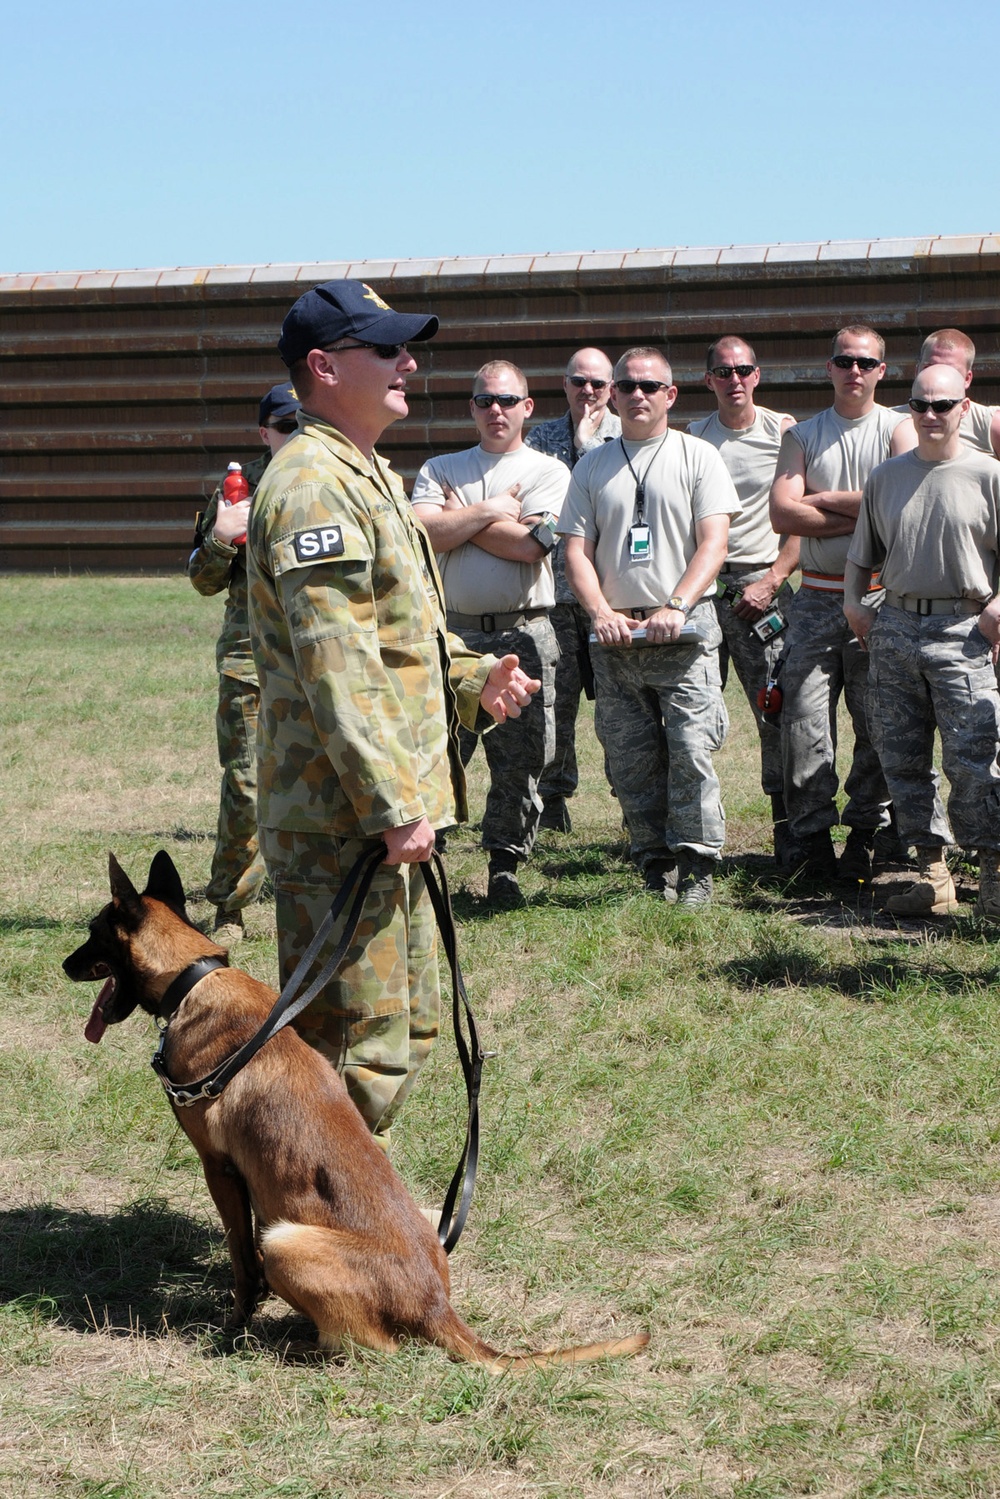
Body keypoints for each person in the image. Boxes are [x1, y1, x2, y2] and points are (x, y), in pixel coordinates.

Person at [246, 281, 539, 1148]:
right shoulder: (311, 487)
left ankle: (323, 1215)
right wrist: (391, 803)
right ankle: (303, 1224)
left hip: (378, 812)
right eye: (387, 349)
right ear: (325, 367)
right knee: (348, 1048)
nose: (409, 362)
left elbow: (398, 633)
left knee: (402, 1031)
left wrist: (472, 676)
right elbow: (335, 664)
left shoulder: (363, 470)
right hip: (344, 818)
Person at [559, 346, 741, 905]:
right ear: (612, 394)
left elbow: (715, 542)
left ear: (671, 395)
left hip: (682, 632)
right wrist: (601, 614)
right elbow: (575, 550)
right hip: (617, 639)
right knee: (629, 757)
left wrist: (678, 604)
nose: (638, 394)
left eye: (649, 386)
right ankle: (652, 862)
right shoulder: (593, 464)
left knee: (691, 750)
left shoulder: (698, 456)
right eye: (627, 386)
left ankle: (697, 867)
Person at [844, 362, 1000, 919]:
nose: (930, 415)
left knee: (974, 761)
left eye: (942, 405)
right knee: (902, 759)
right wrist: (853, 603)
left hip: (965, 633)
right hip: (896, 629)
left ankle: (992, 878)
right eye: (920, 405)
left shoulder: (990, 475)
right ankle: (932, 875)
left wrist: (994, 613)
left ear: (964, 406)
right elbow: (861, 555)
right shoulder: (886, 476)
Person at [411, 361, 569, 907]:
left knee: (520, 759)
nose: (494, 410)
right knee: (441, 751)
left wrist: (462, 519)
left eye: (506, 400)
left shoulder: (550, 472)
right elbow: (424, 534)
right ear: (471, 407)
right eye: (484, 400)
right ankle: (429, 861)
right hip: (451, 637)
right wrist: (492, 511)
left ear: (528, 407)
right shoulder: (441, 465)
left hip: (523, 634)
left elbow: (532, 547)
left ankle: (506, 865)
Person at [769, 325, 916, 882]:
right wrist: (865, 508)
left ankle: (868, 833)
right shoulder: (803, 435)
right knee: (805, 720)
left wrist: (822, 498)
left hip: (881, 599)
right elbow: (782, 514)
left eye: (865, 362)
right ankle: (809, 840)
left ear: (882, 370)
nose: (854, 371)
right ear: (829, 368)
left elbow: (903, 506)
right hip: (817, 598)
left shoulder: (898, 430)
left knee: (880, 721)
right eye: (844, 361)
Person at [188, 381, 300, 946]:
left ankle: (315, 887)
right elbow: (202, 581)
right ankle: (230, 903)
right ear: (263, 432)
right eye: (283, 425)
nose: (294, 434)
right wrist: (222, 539)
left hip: (318, 654)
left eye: (302, 422)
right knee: (247, 783)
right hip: (251, 657)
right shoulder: (236, 490)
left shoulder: (326, 480)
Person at [687, 336, 796, 860]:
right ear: (708, 379)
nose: (734, 380)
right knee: (696, 710)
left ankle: (788, 829)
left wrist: (774, 577)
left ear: (757, 375)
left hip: (762, 589)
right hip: (707, 591)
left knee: (775, 709)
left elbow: (800, 515)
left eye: (743, 370)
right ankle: (693, 834)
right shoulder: (692, 438)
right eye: (723, 372)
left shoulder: (785, 432)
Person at [524, 349, 622, 832]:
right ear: (564, 385)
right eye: (579, 382)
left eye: (598, 384)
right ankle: (553, 800)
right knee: (555, 706)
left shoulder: (629, 436)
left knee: (620, 705)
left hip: (612, 596)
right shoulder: (540, 439)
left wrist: (586, 445)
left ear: (613, 388)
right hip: (556, 596)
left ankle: (631, 798)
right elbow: (546, 511)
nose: (588, 392)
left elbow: (604, 503)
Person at [897, 328, 1000, 458]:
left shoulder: (989, 426)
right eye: (930, 367)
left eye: (949, 370)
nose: (937, 375)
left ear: (967, 379)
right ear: (917, 371)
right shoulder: (890, 423)